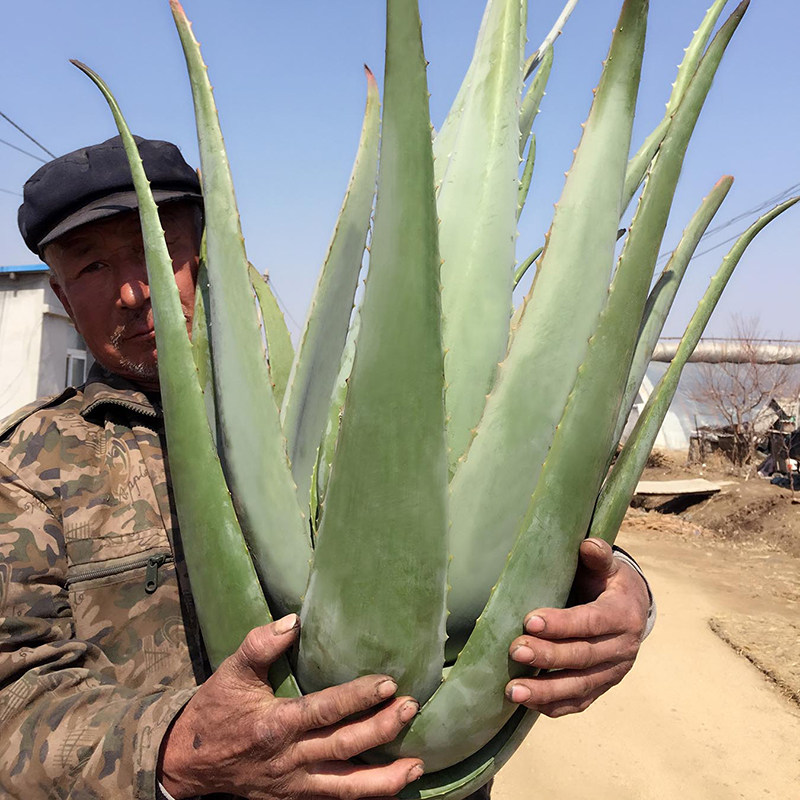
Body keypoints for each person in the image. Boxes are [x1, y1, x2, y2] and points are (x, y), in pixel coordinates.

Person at [0, 136, 654, 800]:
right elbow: (12, 698)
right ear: (58, 290)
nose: (135, 291)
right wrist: (175, 748)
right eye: (91, 268)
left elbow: (485, 523)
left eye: (156, 251)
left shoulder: (303, 398)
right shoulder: (30, 464)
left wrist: (617, 589)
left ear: (211, 253)